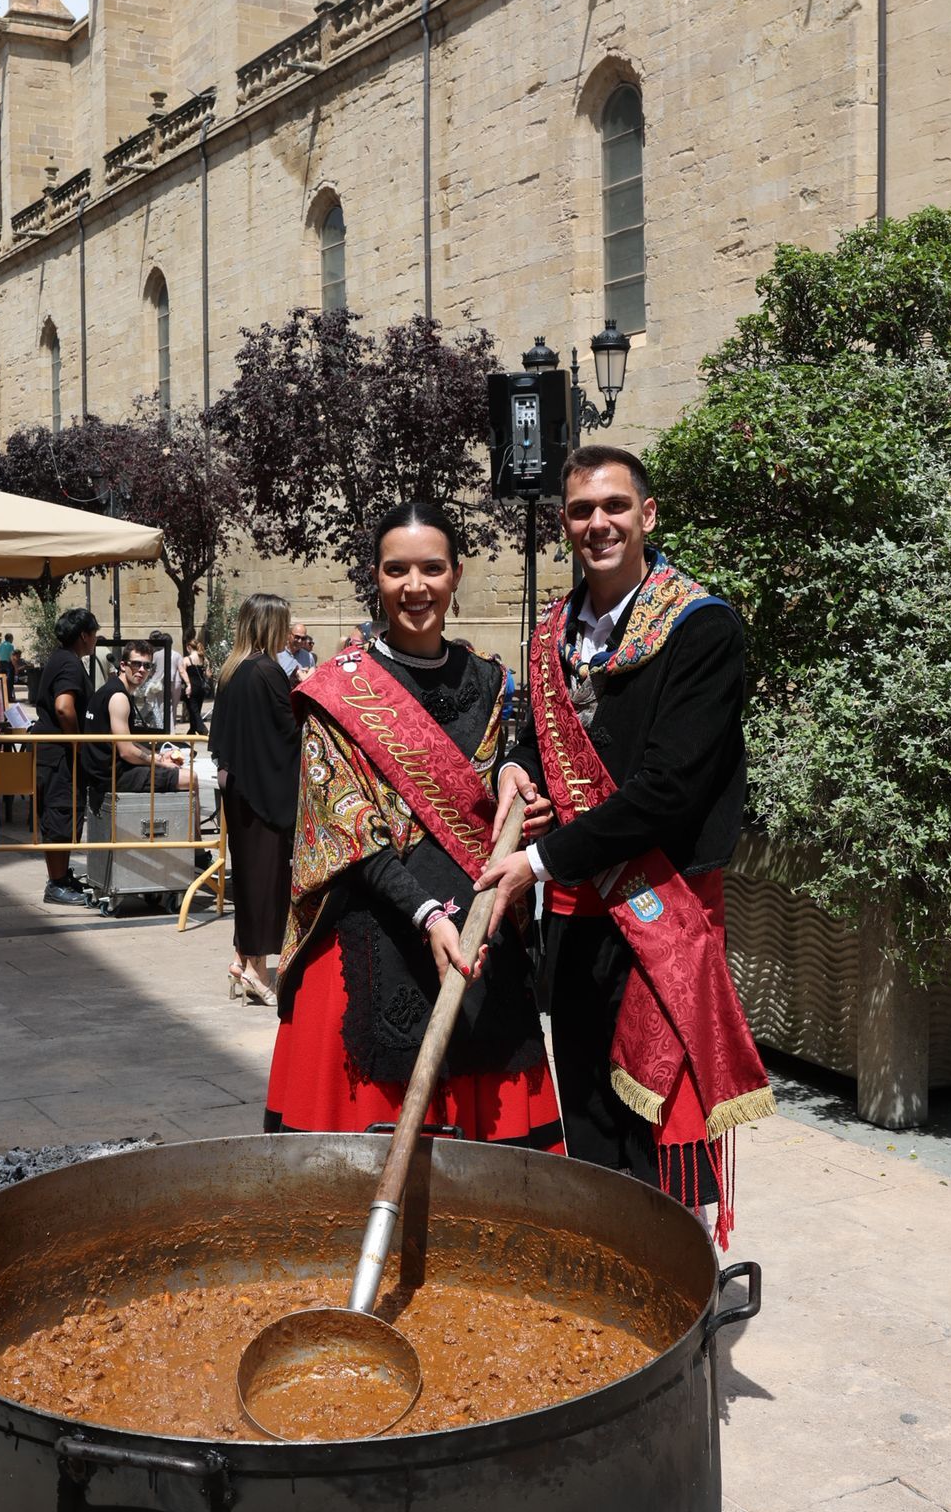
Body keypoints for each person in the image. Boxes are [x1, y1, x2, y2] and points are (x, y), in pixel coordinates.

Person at [479, 444, 772, 1245]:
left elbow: (667, 792)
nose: (597, 524)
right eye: (581, 511)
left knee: (661, 1146)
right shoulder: (551, 635)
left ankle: (680, 1324)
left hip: (659, 913)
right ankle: (616, 1310)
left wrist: (535, 862)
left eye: (614, 507)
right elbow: (535, 738)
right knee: (593, 1132)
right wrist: (512, 768)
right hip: (575, 922)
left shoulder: (702, 629)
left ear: (647, 516)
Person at [264, 504, 563, 1149]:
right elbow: (346, 829)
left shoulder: (492, 681)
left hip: (479, 934)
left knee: (494, 1187)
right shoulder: (337, 688)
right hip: (374, 926)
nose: (415, 586)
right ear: (376, 577)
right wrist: (427, 916)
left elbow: (513, 762)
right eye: (397, 570)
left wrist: (514, 768)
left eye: (432, 568)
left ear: (456, 575)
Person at [209, 594, 300, 1004]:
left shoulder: (234, 670)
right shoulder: (267, 670)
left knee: (247, 878)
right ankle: (258, 970)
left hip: (240, 789)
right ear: (269, 626)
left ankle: (239, 956)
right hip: (265, 792)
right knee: (265, 881)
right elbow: (289, 731)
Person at [31, 607, 98, 908]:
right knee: (60, 814)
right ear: (84, 635)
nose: (96, 639)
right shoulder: (70, 665)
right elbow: (63, 707)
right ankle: (55, 883)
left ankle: (61, 876)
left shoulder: (61, 659)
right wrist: (77, 742)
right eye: (94, 633)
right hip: (59, 755)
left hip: (52, 752)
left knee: (65, 813)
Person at [84, 641, 203, 810]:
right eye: (136, 664)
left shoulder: (110, 690)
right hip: (112, 776)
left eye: (147, 666)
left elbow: (128, 744)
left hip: (106, 771)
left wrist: (159, 756)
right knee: (190, 778)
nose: (141, 670)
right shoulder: (119, 698)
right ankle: (195, 837)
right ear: (123, 665)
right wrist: (161, 763)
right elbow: (126, 751)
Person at [0, 627, 16, 703]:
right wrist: (15, 666)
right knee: (9, 681)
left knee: (2, 681)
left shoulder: (0, 645)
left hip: (1, 664)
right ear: (10, 638)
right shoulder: (11, 646)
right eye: (12, 638)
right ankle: (9, 697)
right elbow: (11, 657)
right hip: (8, 664)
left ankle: (2, 696)